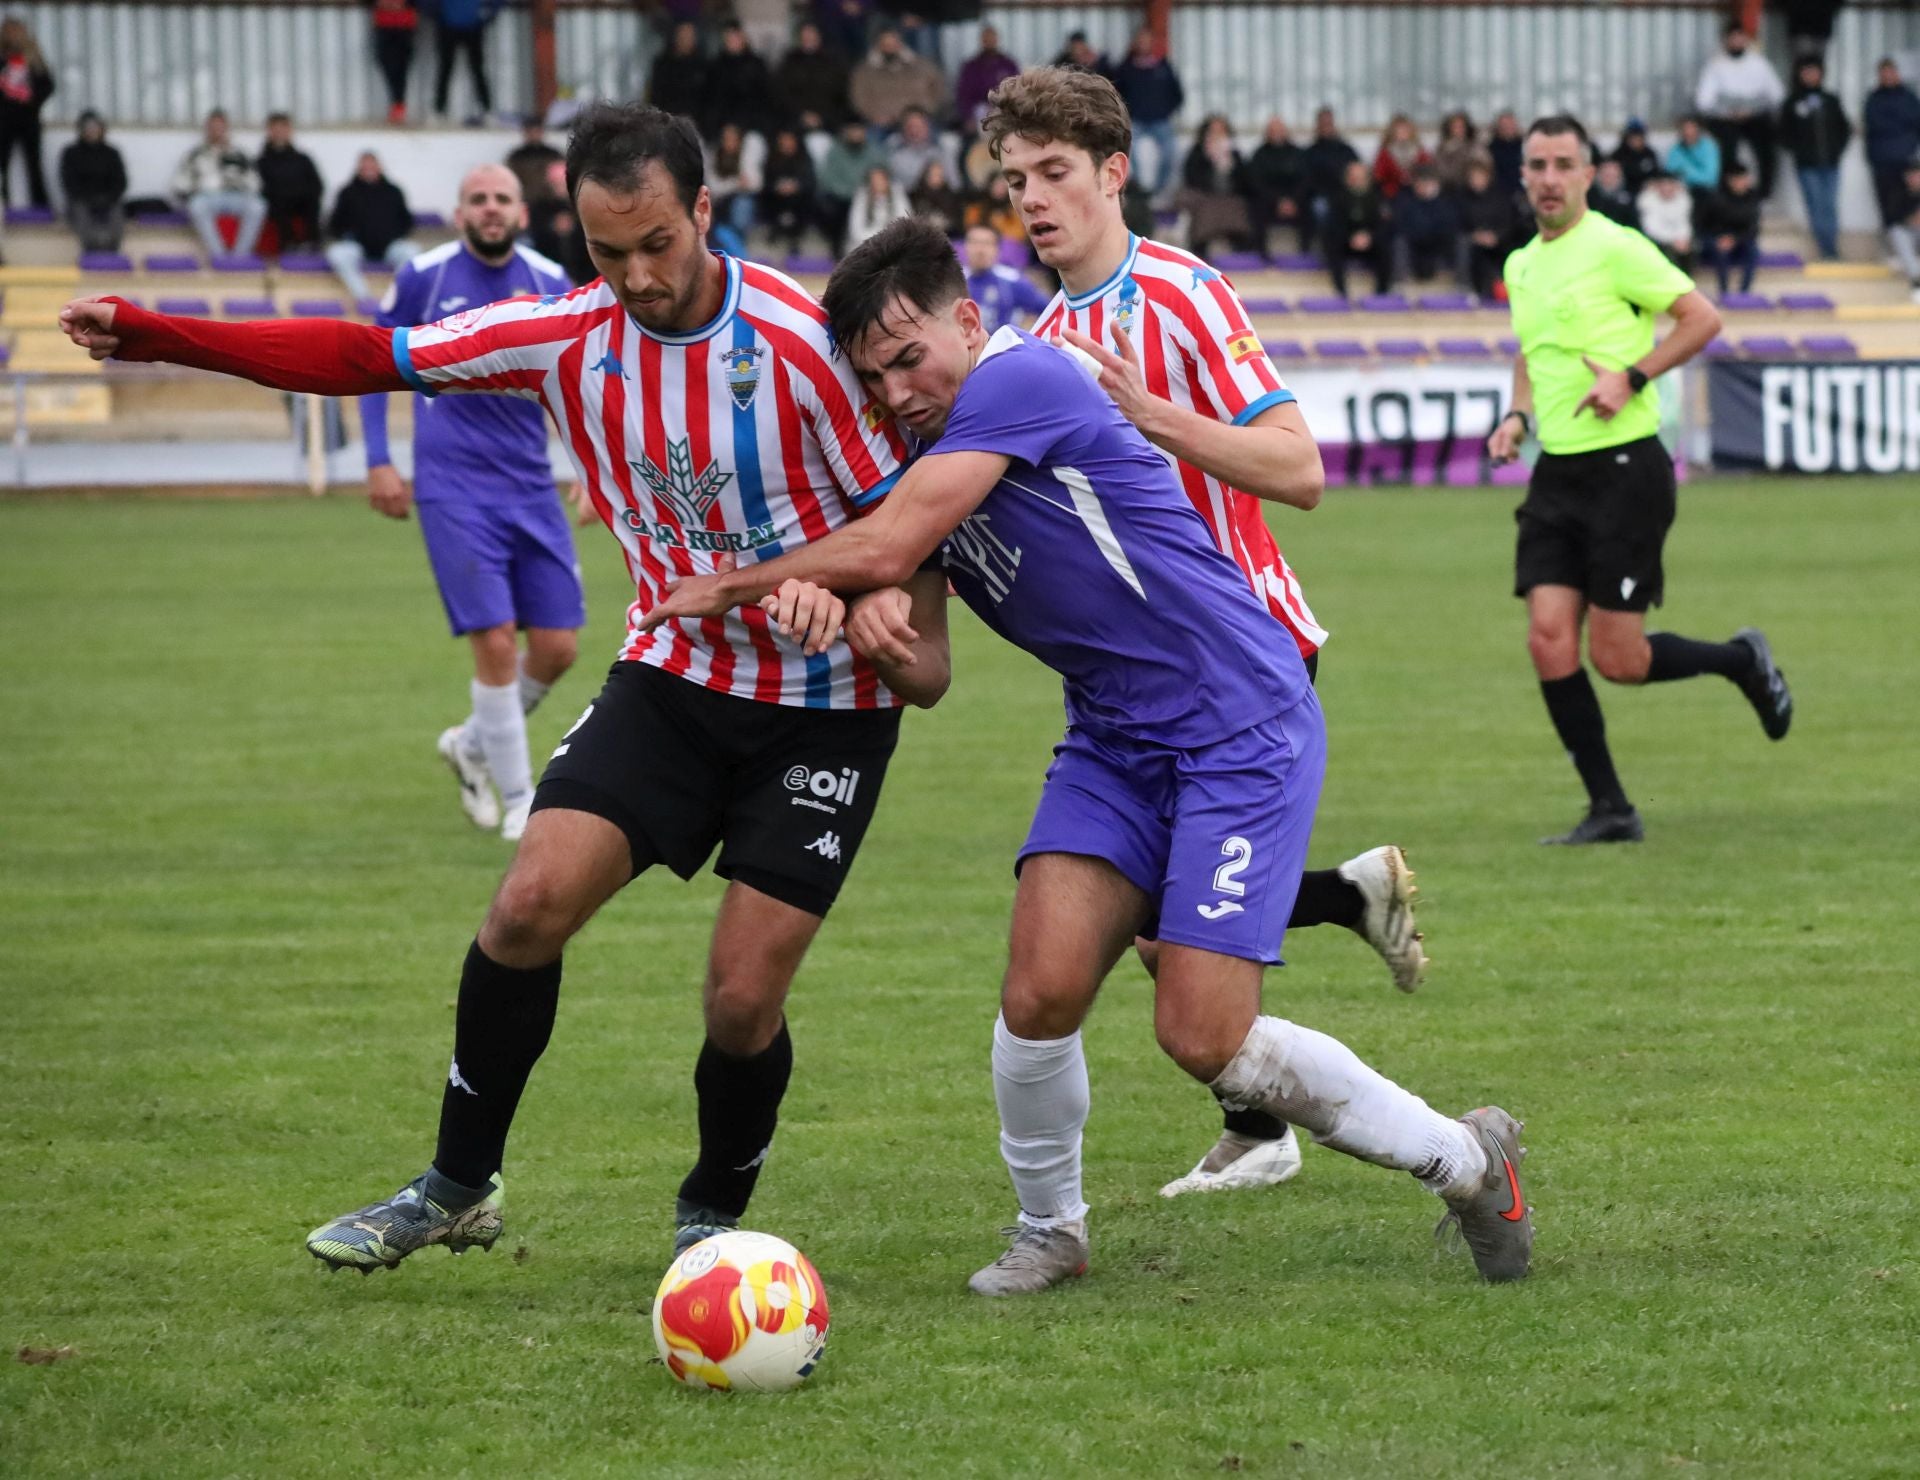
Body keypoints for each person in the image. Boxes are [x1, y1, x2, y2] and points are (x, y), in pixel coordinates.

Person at [60, 103, 913, 1271]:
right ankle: (459, 1182)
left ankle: (713, 1213)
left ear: (704, 212)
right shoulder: (566, 335)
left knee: (737, 999)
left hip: (826, 709)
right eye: (609, 251)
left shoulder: (805, 344)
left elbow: (905, 532)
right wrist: (164, 335)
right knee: (523, 908)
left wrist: (852, 598)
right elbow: (369, 356)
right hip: (674, 676)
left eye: (658, 242)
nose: (637, 276)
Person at [639, 216, 1529, 1290]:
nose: (900, 390)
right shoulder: (924, 457)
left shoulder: (1022, 382)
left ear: (968, 321)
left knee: (1203, 1034)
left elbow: (880, 547)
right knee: (1039, 991)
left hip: (1236, 721)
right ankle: (1051, 1231)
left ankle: (1470, 1159)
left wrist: (737, 580)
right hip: (1112, 740)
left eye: (911, 356)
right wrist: (868, 628)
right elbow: (927, 675)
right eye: (875, 377)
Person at [993, 66, 1427, 1194]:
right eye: (1013, 180)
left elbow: (1300, 468)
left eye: (1053, 173)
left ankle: (1302, 1120)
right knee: (1147, 929)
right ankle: (1277, 1081)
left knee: (1162, 927)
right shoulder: (1040, 338)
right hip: (1141, 676)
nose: (1033, 198)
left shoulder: (1181, 293)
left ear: (1113, 173)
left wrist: (1153, 417)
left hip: (1248, 650)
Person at [1487, 115, 1791, 848]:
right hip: (1557, 471)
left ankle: (1740, 660)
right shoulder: (1522, 264)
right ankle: (1612, 809)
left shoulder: (1617, 247)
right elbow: (1533, 352)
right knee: (1547, 640)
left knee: (1618, 660)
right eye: (1538, 164)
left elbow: (1701, 317)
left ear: (1589, 174)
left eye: (1564, 163)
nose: (1550, 177)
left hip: (1627, 467)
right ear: (1522, 175)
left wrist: (1631, 376)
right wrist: (1518, 417)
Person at [360, 165, 583, 843]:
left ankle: (472, 746)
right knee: (493, 639)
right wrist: (377, 458)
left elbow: (580, 383)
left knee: (557, 647)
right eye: (478, 200)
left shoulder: (551, 283)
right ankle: (520, 804)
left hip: (529, 486)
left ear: (522, 212)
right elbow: (373, 361)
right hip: (451, 486)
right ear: (458, 213)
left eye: (502, 200)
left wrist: (589, 469)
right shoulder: (423, 276)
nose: (490, 209)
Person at [1695, 20, 1783, 198]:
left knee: (1767, 148)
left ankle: (1764, 193)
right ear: (1725, 40)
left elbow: (1777, 94)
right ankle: (1728, 190)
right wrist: (1727, 112)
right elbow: (1703, 101)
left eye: (1740, 38)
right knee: (1725, 148)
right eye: (1732, 38)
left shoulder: (1759, 63)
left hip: (1756, 116)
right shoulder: (1716, 65)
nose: (1736, 42)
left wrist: (1753, 109)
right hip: (1726, 117)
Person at [1780, 56, 1851, 262]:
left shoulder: (1830, 99)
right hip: (1807, 165)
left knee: (1830, 205)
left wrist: (1837, 150)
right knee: (1816, 206)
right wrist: (1799, 150)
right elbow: (1783, 133)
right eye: (1806, 71)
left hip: (1831, 162)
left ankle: (1832, 248)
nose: (1810, 75)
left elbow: (1843, 128)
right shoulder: (1793, 102)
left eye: (1814, 71)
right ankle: (1826, 248)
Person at [172, 109, 266, 261]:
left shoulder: (240, 154)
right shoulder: (195, 154)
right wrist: (193, 191)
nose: (217, 131)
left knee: (258, 206)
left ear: (226, 129)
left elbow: (255, 182)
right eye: (213, 127)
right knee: (197, 205)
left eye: (220, 127)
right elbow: (180, 183)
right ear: (207, 129)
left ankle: (240, 257)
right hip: (208, 197)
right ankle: (219, 257)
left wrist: (243, 187)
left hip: (237, 197)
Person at [325, 151, 418, 302]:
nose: (369, 169)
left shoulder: (394, 192)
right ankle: (363, 297)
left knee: (412, 251)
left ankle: (395, 296)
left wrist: (394, 234)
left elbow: (406, 221)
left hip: (389, 246)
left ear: (379, 167)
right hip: (357, 247)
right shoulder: (347, 192)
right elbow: (335, 223)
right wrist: (348, 235)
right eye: (365, 167)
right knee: (337, 254)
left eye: (372, 166)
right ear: (358, 168)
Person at [1107, 26, 1183, 200]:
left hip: (1160, 120)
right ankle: (1139, 189)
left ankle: (1160, 189)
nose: (1143, 44)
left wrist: (1166, 109)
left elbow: (1177, 93)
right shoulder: (1125, 68)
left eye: (1147, 40)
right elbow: (1115, 94)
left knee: (1171, 152)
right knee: (1126, 151)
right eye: (1140, 40)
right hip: (1136, 120)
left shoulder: (1163, 67)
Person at [1178, 114, 1253, 261]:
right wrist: (1210, 161)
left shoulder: (1235, 155)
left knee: (1238, 207)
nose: (1217, 135)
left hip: (1231, 198)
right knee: (1207, 208)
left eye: (1221, 131)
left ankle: (1240, 253)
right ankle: (1201, 252)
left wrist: (1227, 165)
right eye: (1213, 131)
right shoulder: (1196, 153)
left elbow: (1245, 182)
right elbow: (1192, 179)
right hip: (1205, 197)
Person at [849, 26, 946, 134]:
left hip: (920, 120)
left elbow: (939, 90)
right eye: (885, 44)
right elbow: (858, 98)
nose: (890, 47)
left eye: (893, 43)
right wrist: (874, 115)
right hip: (881, 122)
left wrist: (924, 112)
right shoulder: (864, 71)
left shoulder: (922, 66)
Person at [0, 15, 52, 208]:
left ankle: (40, 203)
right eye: (10, 31)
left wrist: (32, 99)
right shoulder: (2, 58)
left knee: (34, 163)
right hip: (4, 118)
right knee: (2, 162)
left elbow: (48, 85)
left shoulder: (33, 56)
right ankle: (3, 202)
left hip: (29, 118)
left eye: (17, 30)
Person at [816, 118, 888, 254]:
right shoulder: (835, 151)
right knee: (830, 207)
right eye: (853, 130)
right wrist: (850, 193)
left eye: (859, 130)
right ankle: (836, 251)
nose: (856, 134)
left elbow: (883, 173)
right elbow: (827, 179)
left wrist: (863, 193)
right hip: (842, 200)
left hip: (868, 197)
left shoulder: (874, 151)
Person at [60, 111, 127, 254]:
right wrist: (87, 197)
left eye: (95, 127)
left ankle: (112, 251)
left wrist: (107, 198)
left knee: (117, 212)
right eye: (88, 128)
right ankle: (90, 251)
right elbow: (69, 182)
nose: (92, 131)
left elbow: (120, 182)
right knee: (81, 212)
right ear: (81, 130)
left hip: (108, 199)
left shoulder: (112, 153)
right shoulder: (71, 153)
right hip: (81, 199)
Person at [256, 112, 324, 251]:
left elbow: (317, 184)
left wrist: (303, 192)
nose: (280, 132)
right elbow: (262, 188)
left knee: (312, 199)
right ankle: (289, 245)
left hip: (301, 201)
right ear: (269, 131)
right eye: (276, 128)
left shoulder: (303, 159)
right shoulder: (262, 161)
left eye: (283, 128)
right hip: (277, 203)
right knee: (279, 200)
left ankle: (311, 243)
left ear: (289, 131)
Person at [1864, 59, 1920, 229]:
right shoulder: (1874, 99)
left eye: (1890, 72)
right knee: (1888, 206)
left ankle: (1911, 246)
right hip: (1882, 162)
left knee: (1910, 207)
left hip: (1906, 161)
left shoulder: (1909, 97)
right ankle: (1894, 245)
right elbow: (1874, 125)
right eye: (1884, 73)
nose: (1887, 77)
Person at [962, 221, 1047, 331]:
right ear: (965, 247)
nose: (980, 250)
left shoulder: (1012, 280)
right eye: (974, 243)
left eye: (986, 243)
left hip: (1001, 346)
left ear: (997, 249)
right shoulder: (954, 281)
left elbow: (1047, 309)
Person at [1325, 157, 1391, 298]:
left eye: (1361, 177)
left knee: (1387, 248)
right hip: (1346, 242)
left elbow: (1384, 224)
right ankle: (1341, 292)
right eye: (1353, 177)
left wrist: (1369, 237)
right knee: (1332, 246)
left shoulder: (1377, 198)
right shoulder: (1338, 198)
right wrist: (1351, 238)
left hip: (1370, 242)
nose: (1357, 180)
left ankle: (1382, 293)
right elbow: (1334, 225)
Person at [1244, 117, 1308, 258]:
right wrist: (1278, 201)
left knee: (1312, 207)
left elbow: (1305, 180)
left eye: (1279, 130)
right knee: (1255, 208)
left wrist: (1293, 201)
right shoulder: (1259, 154)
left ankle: (1305, 252)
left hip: (1295, 200)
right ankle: (1262, 253)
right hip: (1269, 200)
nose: (1276, 133)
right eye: (1273, 130)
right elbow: (1256, 183)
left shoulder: (1298, 154)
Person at [701, 22, 775, 141]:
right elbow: (712, 100)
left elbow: (762, 99)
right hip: (720, 127)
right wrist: (724, 126)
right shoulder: (716, 66)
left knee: (754, 142)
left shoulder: (756, 65)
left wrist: (738, 125)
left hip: (751, 125)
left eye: (736, 37)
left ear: (744, 39)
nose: (732, 41)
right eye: (729, 38)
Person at [775, 20, 852, 136]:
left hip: (828, 122)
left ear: (819, 36)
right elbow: (782, 93)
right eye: (804, 35)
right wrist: (802, 115)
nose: (808, 38)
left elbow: (841, 95)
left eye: (811, 34)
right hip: (795, 120)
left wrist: (822, 118)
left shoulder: (834, 62)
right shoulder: (789, 61)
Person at [1697, 160, 1761, 297]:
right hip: (1715, 238)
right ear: (1730, 180)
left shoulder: (1752, 198)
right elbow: (1703, 224)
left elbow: (1753, 228)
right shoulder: (1715, 198)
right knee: (1720, 250)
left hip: (1740, 239)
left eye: (1744, 178)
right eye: (1738, 179)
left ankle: (1744, 293)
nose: (1742, 182)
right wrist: (1719, 238)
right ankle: (1724, 291)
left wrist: (1735, 239)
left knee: (1753, 250)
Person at [1391, 164, 1463, 285]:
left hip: (1438, 248)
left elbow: (1450, 228)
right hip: (1414, 247)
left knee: (1461, 241)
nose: (1423, 187)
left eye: (1427, 182)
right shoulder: (1405, 200)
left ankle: (1462, 284)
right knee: (1399, 242)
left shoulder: (1446, 202)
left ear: (1435, 184)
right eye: (1420, 183)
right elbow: (1400, 226)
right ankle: (1399, 284)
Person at [1458, 157, 1516, 300]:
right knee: (1464, 246)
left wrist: (1496, 237)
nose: (1476, 181)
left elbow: (1509, 223)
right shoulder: (1462, 198)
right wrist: (1475, 236)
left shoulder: (1500, 198)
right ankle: (1468, 288)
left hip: (1499, 241)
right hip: (1473, 241)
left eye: (1480, 177)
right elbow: (1459, 224)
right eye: (1473, 177)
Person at [433, 0, 497, 125]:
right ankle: (438, 110)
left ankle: (487, 109)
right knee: (445, 69)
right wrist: (436, 14)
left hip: (474, 27)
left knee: (477, 69)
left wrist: (488, 14)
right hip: (447, 26)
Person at [759, 127, 818, 253]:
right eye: (783, 140)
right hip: (775, 197)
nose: (786, 144)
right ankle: (775, 228)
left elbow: (810, 182)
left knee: (805, 201)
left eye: (789, 140)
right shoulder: (772, 159)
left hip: (799, 198)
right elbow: (765, 182)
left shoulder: (804, 159)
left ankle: (795, 237)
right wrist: (778, 187)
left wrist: (796, 186)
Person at [706, 122, 764, 247]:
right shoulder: (715, 155)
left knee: (742, 205)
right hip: (719, 201)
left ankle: (739, 248)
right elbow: (714, 187)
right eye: (726, 139)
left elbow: (754, 184)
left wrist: (733, 184)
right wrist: (736, 183)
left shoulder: (746, 157)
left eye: (733, 139)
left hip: (740, 200)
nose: (729, 142)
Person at [1302, 105, 1360, 229]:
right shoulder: (1310, 152)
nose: (1326, 126)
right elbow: (1307, 180)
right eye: (1323, 123)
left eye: (1329, 122)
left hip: (1346, 193)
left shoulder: (1346, 150)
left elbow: (1358, 172)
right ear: (1317, 125)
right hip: (1321, 196)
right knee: (1320, 208)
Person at [955, 24, 1019, 134]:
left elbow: (1017, 91)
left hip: (1003, 112)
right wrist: (968, 117)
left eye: (992, 38)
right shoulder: (971, 66)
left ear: (997, 39)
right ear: (981, 41)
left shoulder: (1008, 65)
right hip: (978, 113)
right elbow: (963, 95)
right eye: (986, 39)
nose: (989, 41)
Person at [1635, 171, 1697, 273]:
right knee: (1665, 250)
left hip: (1678, 240)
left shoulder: (1683, 199)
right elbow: (1651, 229)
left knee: (1691, 246)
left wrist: (1682, 238)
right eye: (1663, 184)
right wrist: (1673, 241)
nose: (1667, 188)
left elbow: (1684, 223)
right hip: (1656, 239)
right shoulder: (1647, 200)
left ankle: (1686, 280)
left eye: (1670, 184)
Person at [647, 21, 706, 123]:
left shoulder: (703, 66)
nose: (686, 39)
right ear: (676, 36)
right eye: (683, 34)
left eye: (689, 35)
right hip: (667, 123)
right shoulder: (663, 65)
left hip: (696, 125)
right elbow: (656, 95)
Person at [371, 0, 418, 124]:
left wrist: (404, 4)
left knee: (401, 67)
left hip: (404, 24)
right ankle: (397, 103)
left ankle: (398, 106)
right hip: (384, 23)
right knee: (385, 63)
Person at [887, 107, 953, 194]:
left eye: (919, 126)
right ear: (903, 129)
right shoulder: (894, 155)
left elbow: (954, 184)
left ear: (928, 127)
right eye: (910, 126)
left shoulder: (941, 152)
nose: (915, 131)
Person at [847, 162, 910, 246]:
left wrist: (890, 236)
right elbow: (855, 229)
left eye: (881, 179)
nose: (878, 183)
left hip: (893, 240)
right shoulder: (862, 196)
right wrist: (877, 238)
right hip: (867, 242)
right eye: (874, 180)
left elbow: (905, 219)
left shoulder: (896, 192)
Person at [506, 118, 564, 206]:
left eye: (536, 131)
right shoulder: (516, 157)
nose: (533, 135)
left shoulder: (553, 155)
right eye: (530, 131)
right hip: (525, 200)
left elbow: (562, 178)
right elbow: (510, 179)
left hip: (551, 202)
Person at [1884, 158, 1920, 302]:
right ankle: (1917, 281)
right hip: (1907, 233)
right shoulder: (1898, 192)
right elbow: (1892, 218)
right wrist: (1912, 218)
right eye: (1913, 175)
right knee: (1898, 234)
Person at [1372, 113, 1430, 199]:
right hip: (1393, 193)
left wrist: (1414, 178)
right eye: (1399, 131)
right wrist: (1397, 178)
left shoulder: (1420, 151)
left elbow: (1428, 170)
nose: (1402, 133)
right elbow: (1378, 175)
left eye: (1405, 130)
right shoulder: (1385, 152)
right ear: (1392, 132)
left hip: (1417, 192)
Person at [1665, 114, 1722, 194]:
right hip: (1681, 191)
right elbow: (1668, 173)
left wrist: (1685, 171)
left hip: (1705, 191)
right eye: (1684, 128)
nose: (1687, 132)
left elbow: (1710, 177)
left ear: (1698, 129)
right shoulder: (1676, 149)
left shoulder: (1709, 147)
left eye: (1691, 128)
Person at [1433, 111, 1490, 191]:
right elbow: (1440, 171)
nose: (1458, 129)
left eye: (1461, 126)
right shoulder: (1442, 148)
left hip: (1472, 189)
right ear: (1449, 129)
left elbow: (1486, 168)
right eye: (1455, 126)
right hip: (1449, 188)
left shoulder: (1476, 146)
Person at [909, 159, 964, 235]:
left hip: (948, 235)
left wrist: (944, 223)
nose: (938, 178)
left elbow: (957, 221)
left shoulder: (951, 196)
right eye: (934, 174)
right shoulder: (915, 196)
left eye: (940, 175)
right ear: (926, 175)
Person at [1586, 158, 1640, 231]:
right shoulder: (1588, 196)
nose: (1610, 179)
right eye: (1607, 175)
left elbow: (1634, 226)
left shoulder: (1628, 199)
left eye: (1613, 175)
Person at [1610, 118, 1660, 194]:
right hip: (1622, 192)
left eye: (1639, 136)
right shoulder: (1617, 155)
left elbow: (1656, 175)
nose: (1636, 140)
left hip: (1646, 193)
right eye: (1633, 136)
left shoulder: (1650, 154)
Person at [1488, 110, 1525, 197]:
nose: (1508, 128)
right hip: (1499, 194)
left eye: (1510, 124)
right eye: (1504, 125)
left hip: (1522, 192)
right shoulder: (1490, 149)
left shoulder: (1525, 146)